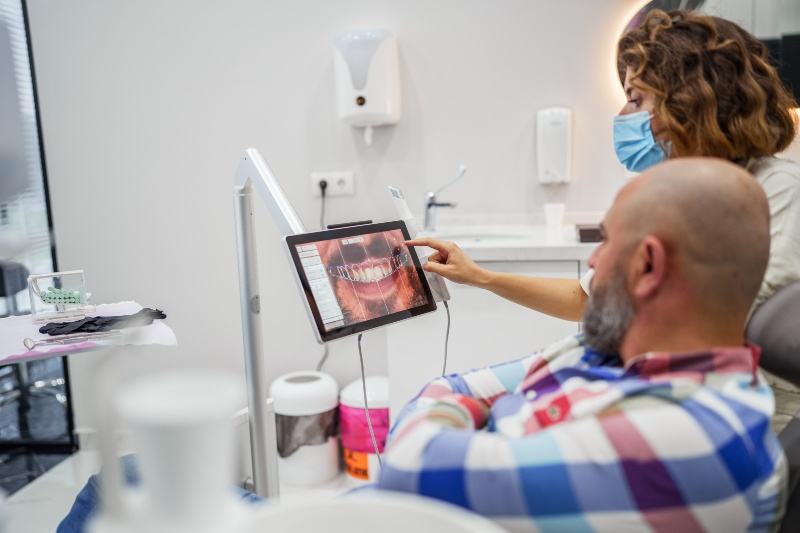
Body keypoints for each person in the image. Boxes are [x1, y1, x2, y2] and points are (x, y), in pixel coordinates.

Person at [408, 8, 800, 430]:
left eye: (635, 98)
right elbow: (588, 299)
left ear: (688, 101)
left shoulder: (778, 191)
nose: (623, 114)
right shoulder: (671, 194)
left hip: (733, 411)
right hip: (654, 387)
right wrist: (480, 276)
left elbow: (734, 326)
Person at [379, 158, 786, 531]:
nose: (593, 261)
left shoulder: (692, 435)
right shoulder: (615, 347)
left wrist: (479, 416)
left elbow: (407, 464)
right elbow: (454, 388)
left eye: (605, 241)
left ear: (647, 266)